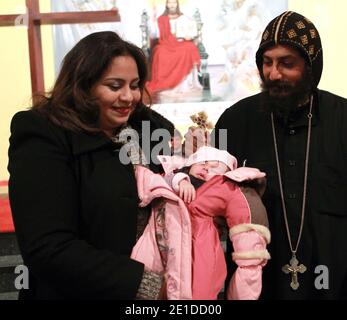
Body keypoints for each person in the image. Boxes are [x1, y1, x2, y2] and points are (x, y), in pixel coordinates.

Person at [7, 31, 174, 300]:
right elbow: (47, 247)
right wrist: (146, 284)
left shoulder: (151, 129)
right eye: (114, 85)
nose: (128, 96)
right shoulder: (43, 133)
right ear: (82, 86)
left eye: (134, 85)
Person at [214, 11, 347, 299]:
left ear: (311, 67)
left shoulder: (342, 119)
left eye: (287, 63)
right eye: (267, 62)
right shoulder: (234, 121)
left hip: (333, 284)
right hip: (257, 285)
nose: (273, 74)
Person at [161, 146, 270, 299]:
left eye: (215, 167)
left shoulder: (222, 190)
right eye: (202, 162)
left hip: (199, 251)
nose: (206, 168)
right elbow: (167, 178)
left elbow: (244, 212)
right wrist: (181, 180)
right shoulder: (178, 177)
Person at [147, 0, 202, 93]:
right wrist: (152, 20)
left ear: (177, 4)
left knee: (190, 48)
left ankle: (187, 84)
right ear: (166, 4)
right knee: (160, 51)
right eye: (169, 3)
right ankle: (166, 82)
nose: (172, 5)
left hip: (182, 42)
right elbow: (154, 35)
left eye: (174, 2)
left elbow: (191, 31)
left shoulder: (184, 17)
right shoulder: (161, 18)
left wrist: (190, 36)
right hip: (166, 43)